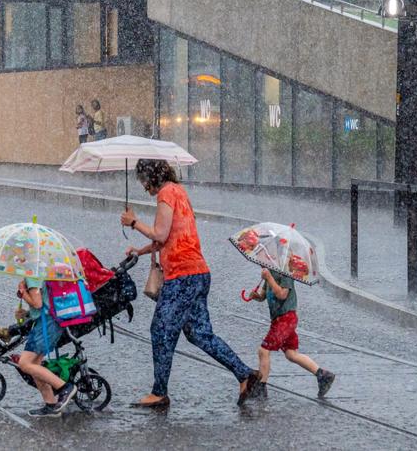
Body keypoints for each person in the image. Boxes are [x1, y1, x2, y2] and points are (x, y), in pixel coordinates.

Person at [120, 159, 257, 408]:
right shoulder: (179, 192)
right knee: (199, 334)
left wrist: (133, 223)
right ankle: (244, 374)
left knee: (160, 330)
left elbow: (160, 234)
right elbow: (171, 238)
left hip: (182, 277)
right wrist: (139, 252)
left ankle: (159, 393)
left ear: (152, 177)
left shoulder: (165, 194)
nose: (144, 188)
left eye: (143, 182)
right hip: (198, 273)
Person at [246, 268, 335, 399]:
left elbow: (282, 294)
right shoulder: (270, 270)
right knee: (291, 354)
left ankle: (261, 387)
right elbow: (264, 295)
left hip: (286, 318)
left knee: (263, 350)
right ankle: (323, 375)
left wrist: (269, 278)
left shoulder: (285, 273)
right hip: (278, 320)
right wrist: (256, 296)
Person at [14, 278, 78, 417]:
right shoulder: (39, 271)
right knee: (35, 364)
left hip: (46, 323)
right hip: (49, 322)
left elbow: (37, 304)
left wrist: (24, 293)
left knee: (24, 363)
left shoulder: (33, 276)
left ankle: (65, 387)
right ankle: (51, 404)